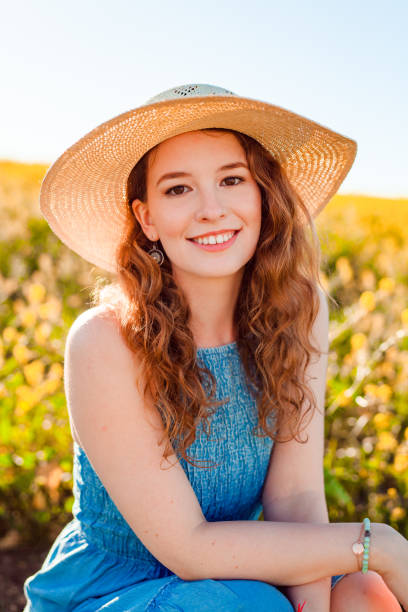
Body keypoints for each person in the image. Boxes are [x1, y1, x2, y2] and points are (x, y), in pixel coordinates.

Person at [23, 83, 407, 611]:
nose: (211, 209)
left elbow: (295, 500)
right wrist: (376, 543)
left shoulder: (302, 312)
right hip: (118, 592)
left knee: (365, 594)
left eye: (231, 179)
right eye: (179, 189)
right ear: (147, 218)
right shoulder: (105, 340)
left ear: (262, 195)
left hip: (240, 575)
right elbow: (189, 550)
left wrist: (317, 603)